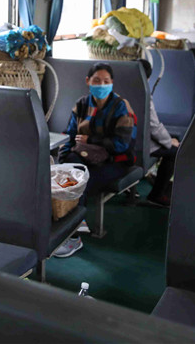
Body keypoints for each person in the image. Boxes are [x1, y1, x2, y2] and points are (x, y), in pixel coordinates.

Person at [55, 62, 137, 257]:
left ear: (112, 83)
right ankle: (66, 227)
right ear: (88, 81)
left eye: (106, 81)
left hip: (114, 161)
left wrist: (91, 140)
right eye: (97, 81)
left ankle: (74, 237)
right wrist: (63, 160)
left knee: (81, 182)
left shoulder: (121, 107)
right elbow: (69, 134)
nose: (101, 85)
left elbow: (122, 144)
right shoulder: (82, 104)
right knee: (68, 175)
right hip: (84, 156)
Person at [139, 59, 179, 207]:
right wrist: (169, 141)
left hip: (131, 137)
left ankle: (157, 178)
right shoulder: (143, 94)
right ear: (148, 78)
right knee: (175, 151)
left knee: (172, 140)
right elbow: (154, 126)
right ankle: (157, 194)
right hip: (139, 142)